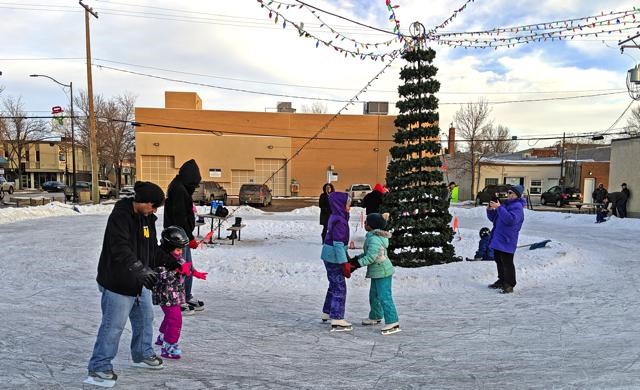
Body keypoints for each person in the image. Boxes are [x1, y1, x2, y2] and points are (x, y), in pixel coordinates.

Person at [85, 181, 170, 388]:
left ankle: (142, 354)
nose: (155, 210)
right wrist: (139, 269)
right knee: (113, 326)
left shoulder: (147, 218)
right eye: (153, 205)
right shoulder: (120, 216)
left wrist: (173, 261)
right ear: (142, 201)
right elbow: (120, 248)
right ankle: (99, 366)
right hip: (118, 282)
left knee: (145, 319)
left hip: (139, 283)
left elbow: (152, 249)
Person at [153, 226, 208, 360]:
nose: (180, 252)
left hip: (175, 295)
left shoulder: (176, 256)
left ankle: (162, 337)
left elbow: (185, 265)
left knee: (170, 317)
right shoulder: (160, 258)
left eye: (181, 249)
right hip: (165, 295)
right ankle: (169, 346)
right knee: (175, 319)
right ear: (169, 247)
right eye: (178, 249)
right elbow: (160, 277)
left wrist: (194, 272)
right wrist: (177, 271)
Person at [348, 212, 400, 335]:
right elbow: (367, 254)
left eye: (366, 222)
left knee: (384, 296)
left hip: (383, 271)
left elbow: (371, 257)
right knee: (374, 295)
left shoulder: (375, 239)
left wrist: (356, 264)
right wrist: (355, 260)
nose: (364, 224)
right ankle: (375, 316)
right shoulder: (372, 237)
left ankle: (393, 321)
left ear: (371, 226)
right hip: (377, 271)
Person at [164, 159, 203, 314]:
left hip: (182, 237)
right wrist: (189, 237)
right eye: (195, 182)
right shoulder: (178, 189)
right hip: (177, 238)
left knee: (187, 267)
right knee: (181, 268)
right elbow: (180, 217)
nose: (195, 187)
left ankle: (186, 295)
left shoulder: (182, 187)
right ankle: (177, 299)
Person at [319, 191, 352, 332]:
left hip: (329, 255)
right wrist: (344, 263)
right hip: (333, 257)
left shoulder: (336, 217)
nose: (349, 207)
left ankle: (327, 311)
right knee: (340, 287)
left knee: (333, 285)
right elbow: (338, 244)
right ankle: (337, 318)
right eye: (348, 204)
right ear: (340, 205)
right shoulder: (340, 221)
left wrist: (346, 257)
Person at [486, 184, 526, 294]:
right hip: (499, 237)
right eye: (507, 192)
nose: (508, 195)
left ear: (517, 195)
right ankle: (502, 280)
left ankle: (509, 284)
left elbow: (510, 220)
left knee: (507, 262)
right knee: (499, 259)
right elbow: (494, 218)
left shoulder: (517, 206)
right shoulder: (505, 204)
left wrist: (499, 208)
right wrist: (491, 210)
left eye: (510, 193)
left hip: (508, 238)